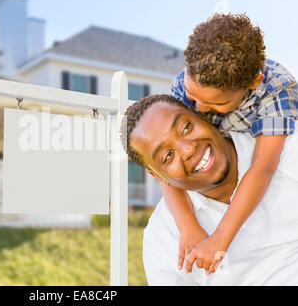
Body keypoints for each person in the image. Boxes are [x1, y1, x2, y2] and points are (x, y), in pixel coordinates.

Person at [162, 13, 298, 274]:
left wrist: (220, 239)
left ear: (252, 83)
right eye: (193, 96)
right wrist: (187, 224)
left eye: (216, 104)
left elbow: (263, 166)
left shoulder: (277, 88)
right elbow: (161, 161)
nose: (199, 108)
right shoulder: (184, 82)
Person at [120, 94, 298, 285]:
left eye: (186, 128)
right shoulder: (164, 237)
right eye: (168, 155)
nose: (188, 150)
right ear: (159, 176)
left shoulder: (287, 147)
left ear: (203, 116)